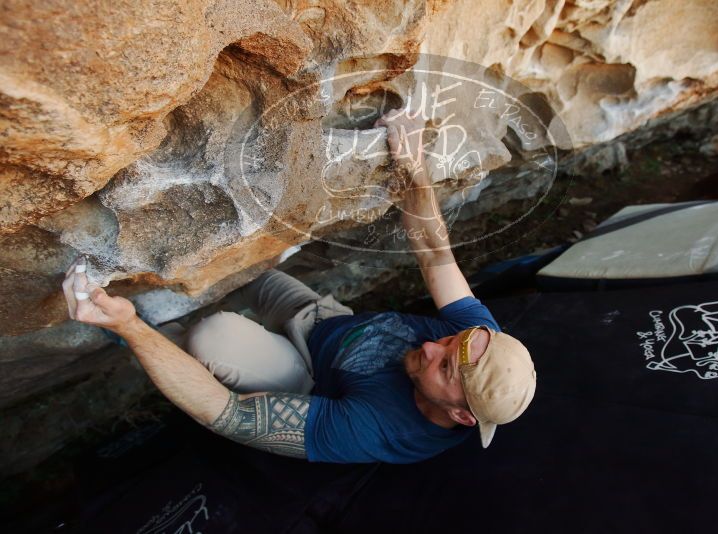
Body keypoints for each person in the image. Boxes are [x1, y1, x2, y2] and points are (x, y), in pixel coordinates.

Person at [62, 109, 537, 463]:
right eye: (451, 339)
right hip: (328, 324)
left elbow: (225, 413)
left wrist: (131, 329)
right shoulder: (481, 348)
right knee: (245, 268)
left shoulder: (376, 430)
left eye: (446, 369)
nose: (434, 346)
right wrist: (414, 169)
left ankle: (125, 322)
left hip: (308, 378)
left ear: (461, 416)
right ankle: (172, 310)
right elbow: (435, 255)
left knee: (214, 336)